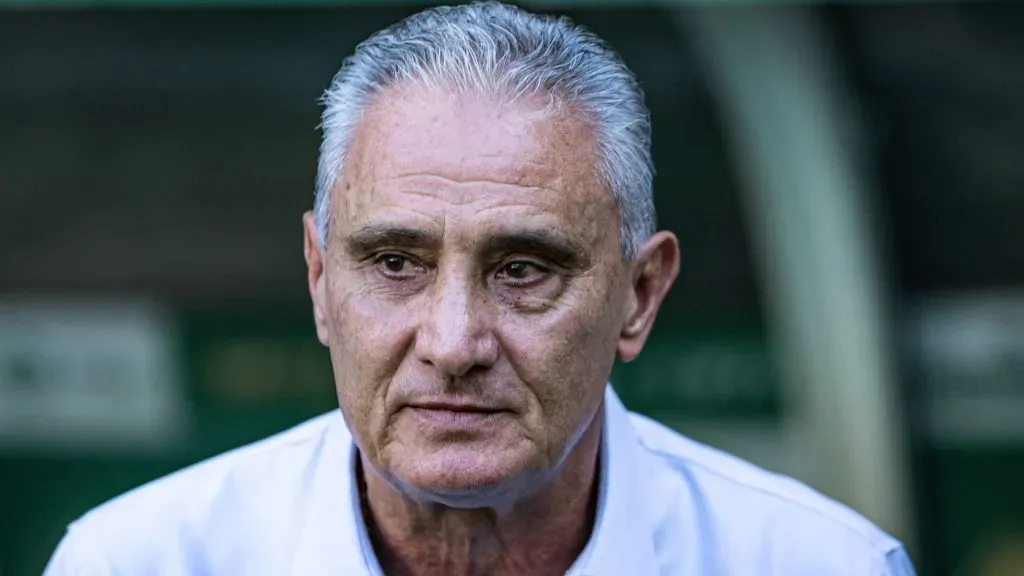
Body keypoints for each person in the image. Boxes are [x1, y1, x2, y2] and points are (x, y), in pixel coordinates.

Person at [43, 2, 917, 575]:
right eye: (395, 263)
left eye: (524, 270)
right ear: (319, 279)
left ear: (640, 295)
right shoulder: (141, 561)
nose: (454, 343)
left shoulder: (818, 563)